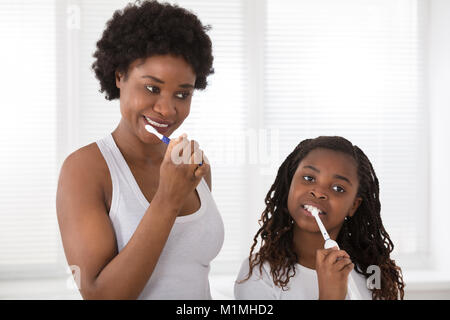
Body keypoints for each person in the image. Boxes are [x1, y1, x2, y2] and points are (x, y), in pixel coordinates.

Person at [56, 0, 224, 300]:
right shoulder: (85, 169)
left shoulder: (195, 168)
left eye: (182, 94)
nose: (166, 110)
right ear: (119, 76)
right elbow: (99, 295)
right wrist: (167, 199)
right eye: (152, 88)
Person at [234, 136, 404, 300]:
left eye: (338, 188)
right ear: (290, 182)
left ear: (354, 205)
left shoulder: (375, 275)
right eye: (309, 178)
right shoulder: (259, 274)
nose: (319, 192)